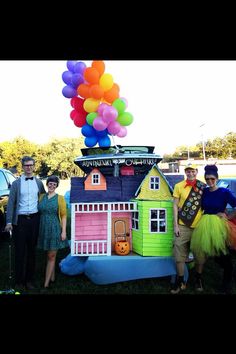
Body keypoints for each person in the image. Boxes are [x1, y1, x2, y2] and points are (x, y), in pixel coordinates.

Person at [190, 164, 236, 294]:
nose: (210, 181)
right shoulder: (203, 191)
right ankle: (198, 278)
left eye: (212, 179)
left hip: (218, 225)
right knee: (201, 253)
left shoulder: (224, 192)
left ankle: (226, 283)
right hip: (204, 224)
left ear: (217, 178)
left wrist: (227, 215)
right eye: (207, 179)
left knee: (222, 255)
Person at [5, 156, 46, 290]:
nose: (29, 168)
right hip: (20, 221)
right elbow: (11, 203)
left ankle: (29, 280)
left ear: (34, 166)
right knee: (20, 251)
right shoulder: (16, 184)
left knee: (32, 252)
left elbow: (44, 199)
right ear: (22, 167)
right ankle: (19, 281)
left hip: (34, 220)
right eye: (26, 165)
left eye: (31, 165)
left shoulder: (39, 183)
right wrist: (9, 221)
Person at [171, 163, 206, 294]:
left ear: (197, 171)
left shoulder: (203, 187)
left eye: (193, 171)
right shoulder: (178, 186)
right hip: (182, 225)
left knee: (200, 255)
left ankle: (198, 279)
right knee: (179, 255)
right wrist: (175, 225)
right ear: (185, 172)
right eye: (188, 171)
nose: (190, 173)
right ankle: (180, 281)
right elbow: (175, 206)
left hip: (199, 226)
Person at [37, 175, 69, 289]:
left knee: (51, 255)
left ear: (56, 186)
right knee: (49, 254)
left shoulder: (60, 198)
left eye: (54, 185)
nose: (52, 186)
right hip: (43, 228)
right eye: (50, 183)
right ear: (47, 184)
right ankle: (52, 277)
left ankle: (46, 284)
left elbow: (64, 215)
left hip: (55, 228)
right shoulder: (41, 197)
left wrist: (64, 231)